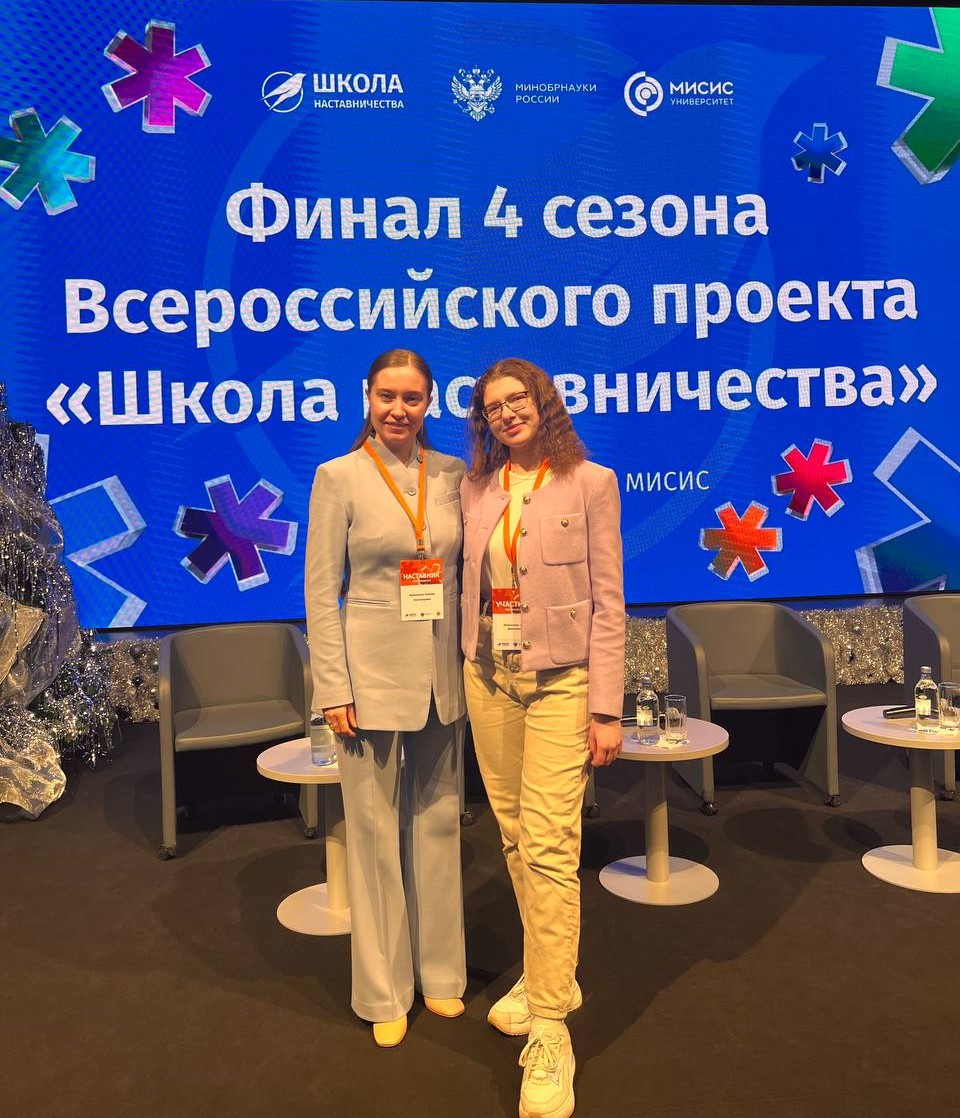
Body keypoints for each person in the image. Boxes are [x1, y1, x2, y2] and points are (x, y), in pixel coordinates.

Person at [460, 357, 625, 1118]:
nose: (506, 413)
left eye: (516, 399)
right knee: (516, 836)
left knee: (553, 844)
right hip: (489, 679)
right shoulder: (476, 488)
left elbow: (610, 604)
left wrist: (606, 709)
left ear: (542, 402)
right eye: (492, 406)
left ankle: (552, 1029)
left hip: (562, 685)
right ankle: (546, 971)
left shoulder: (591, 483)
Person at [304, 348, 466, 1047]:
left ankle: (442, 976)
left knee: (440, 824)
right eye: (388, 396)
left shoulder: (454, 474)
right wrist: (331, 687)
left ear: (430, 403)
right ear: (367, 397)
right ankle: (384, 992)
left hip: (442, 680)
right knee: (372, 836)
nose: (399, 410)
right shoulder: (337, 476)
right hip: (366, 681)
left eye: (413, 398)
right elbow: (320, 592)